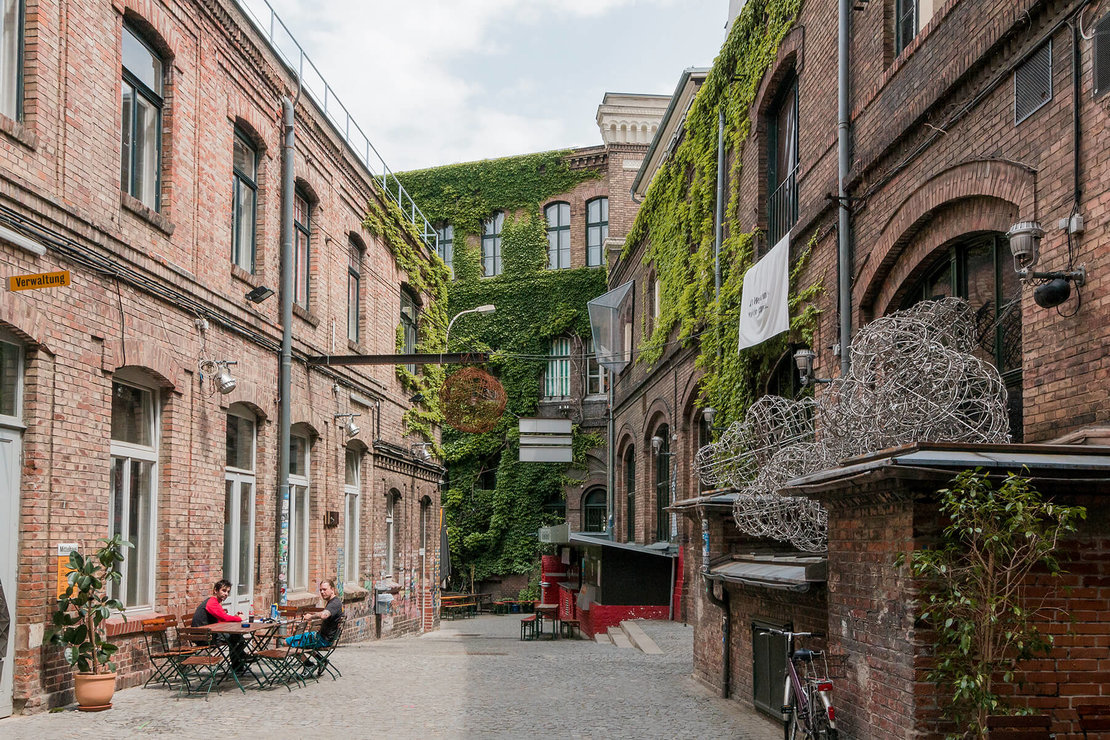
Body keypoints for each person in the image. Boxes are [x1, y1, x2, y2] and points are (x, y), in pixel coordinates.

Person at [192, 579, 250, 672]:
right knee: (235, 636)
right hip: (203, 637)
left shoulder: (216, 602)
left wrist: (234, 618)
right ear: (215, 590)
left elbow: (219, 620)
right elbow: (224, 617)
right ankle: (239, 663)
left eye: (228, 592)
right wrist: (240, 618)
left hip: (208, 634)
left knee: (236, 636)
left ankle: (239, 662)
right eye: (223, 591)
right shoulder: (212, 602)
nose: (226, 594)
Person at [285, 579, 343, 649]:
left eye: (324, 589)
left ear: (332, 590)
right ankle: (310, 660)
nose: (322, 592)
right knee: (300, 644)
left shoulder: (334, 604)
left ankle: (305, 660)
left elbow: (324, 615)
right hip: (322, 638)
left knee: (286, 642)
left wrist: (310, 617)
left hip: (322, 640)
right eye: (320, 590)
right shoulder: (334, 602)